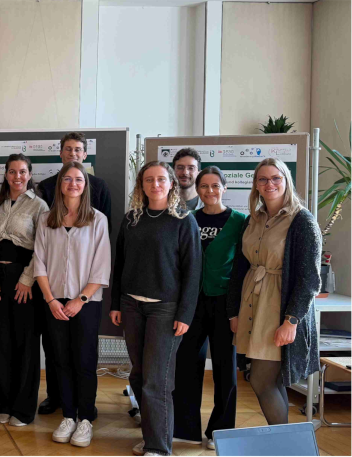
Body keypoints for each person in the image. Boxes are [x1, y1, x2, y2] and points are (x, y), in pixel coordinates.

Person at [110, 161, 200, 457]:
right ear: (141, 185)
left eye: (161, 179)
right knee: (138, 376)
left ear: (172, 183)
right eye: (149, 180)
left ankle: (159, 448)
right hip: (131, 306)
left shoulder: (184, 220)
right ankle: (153, 436)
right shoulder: (131, 219)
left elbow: (192, 272)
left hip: (166, 310)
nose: (155, 184)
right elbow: (119, 264)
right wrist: (115, 304)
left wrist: (185, 314)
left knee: (156, 380)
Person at [227, 158, 321, 426]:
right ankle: (286, 444)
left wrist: (291, 321)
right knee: (267, 379)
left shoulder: (302, 220)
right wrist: (233, 311)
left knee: (261, 379)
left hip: (279, 308)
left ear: (286, 180)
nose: (270, 184)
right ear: (256, 185)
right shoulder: (252, 220)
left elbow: (310, 279)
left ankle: (285, 445)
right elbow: (239, 268)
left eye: (276, 178)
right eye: (263, 179)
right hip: (251, 305)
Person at [32, 162, 111, 448]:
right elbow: (38, 263)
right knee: (60, 360)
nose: (73, 184)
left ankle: (86, 418)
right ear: (60, 184)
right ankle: (68, 415)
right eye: (68, 179)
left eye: (79, 179)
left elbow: (101, 268)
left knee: (85, 361)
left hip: (86, 303)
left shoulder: (97, 220)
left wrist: (80, 300)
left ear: (85, 185)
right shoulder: (45, 219)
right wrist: (51, 299)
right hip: (53, 302)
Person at [172, 166, 244, 450]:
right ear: (197, 190)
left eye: (216, 186)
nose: (210, 191)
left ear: (225, 188)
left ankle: (220, 430)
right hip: (192, 302)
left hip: (226, 303)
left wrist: (237, 308)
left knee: (226, 368)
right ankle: (185, 428)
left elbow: (242, 266)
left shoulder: (239, 221)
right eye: (204, 186)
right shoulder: (188, 219)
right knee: (187, 364)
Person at [0, 154, 48, 427]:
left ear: (29, 175)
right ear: (6, 175)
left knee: (25, 344)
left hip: (25, 284)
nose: (17, 177)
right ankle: (2, 402)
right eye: (12, 172)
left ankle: (22, 408)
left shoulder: (40, 206)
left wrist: (27, 279)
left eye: (22, 172)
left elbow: (43, 247)